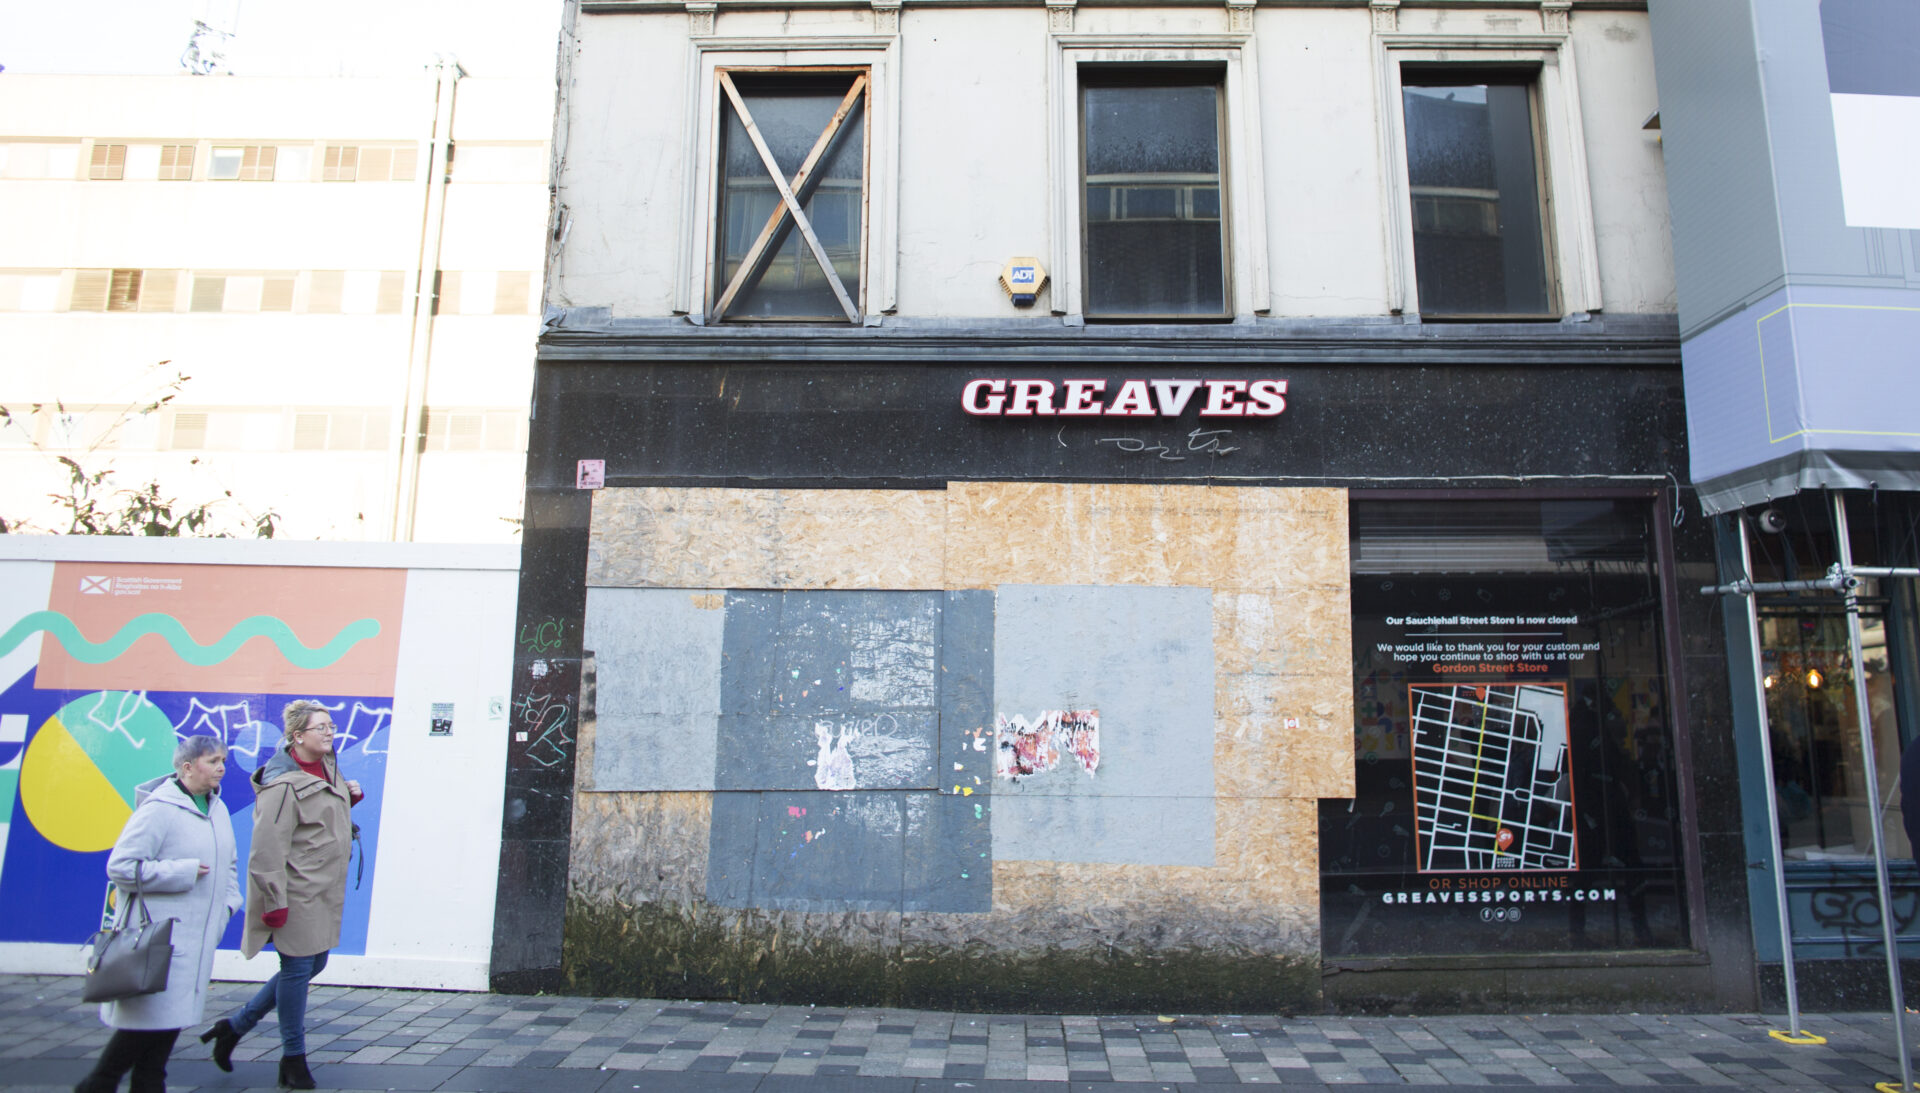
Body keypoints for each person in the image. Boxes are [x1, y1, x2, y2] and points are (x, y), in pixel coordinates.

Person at [199, 701, 360, 1091]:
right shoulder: (281, 784)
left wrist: (348, 799)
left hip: (323, 888)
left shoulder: (327, 765)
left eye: (331, 726)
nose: (329, 733)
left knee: (314, 963)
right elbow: (266, 849)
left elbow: (317, 819)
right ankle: (293, 1059)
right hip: (295, 889)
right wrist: (274, 902)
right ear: (297, 736)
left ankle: (234, 1027)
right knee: (297, 970)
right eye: (320, 728)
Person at [75, 735, 242, 1093]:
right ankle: (95, 1086)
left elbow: (229, 865)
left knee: (160, 1041)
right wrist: (182, 871)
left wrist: (228, 907)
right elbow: (121, 867)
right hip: (155, 944)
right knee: (139, 1035)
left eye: (223, 761)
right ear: (187, 768)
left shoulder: (217, 808)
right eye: (213, 761)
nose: (221, 768)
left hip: (193, 945)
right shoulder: (159, 809)